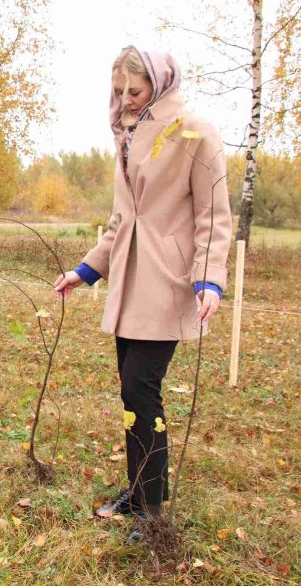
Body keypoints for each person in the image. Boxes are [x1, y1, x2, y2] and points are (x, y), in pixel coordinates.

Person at [54, 47, 231, 542]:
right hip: (129, 285)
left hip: (171, 284)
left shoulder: (194, 131)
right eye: (118, 93)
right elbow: (120, 219)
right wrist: (86, 270)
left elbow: (214, 215)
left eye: (134, 91)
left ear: (160, 81)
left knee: (141, 389)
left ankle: (153, 512)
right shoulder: (126, 136)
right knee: (132, 394)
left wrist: (210, 277)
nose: (126, 100)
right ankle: (139, 490)